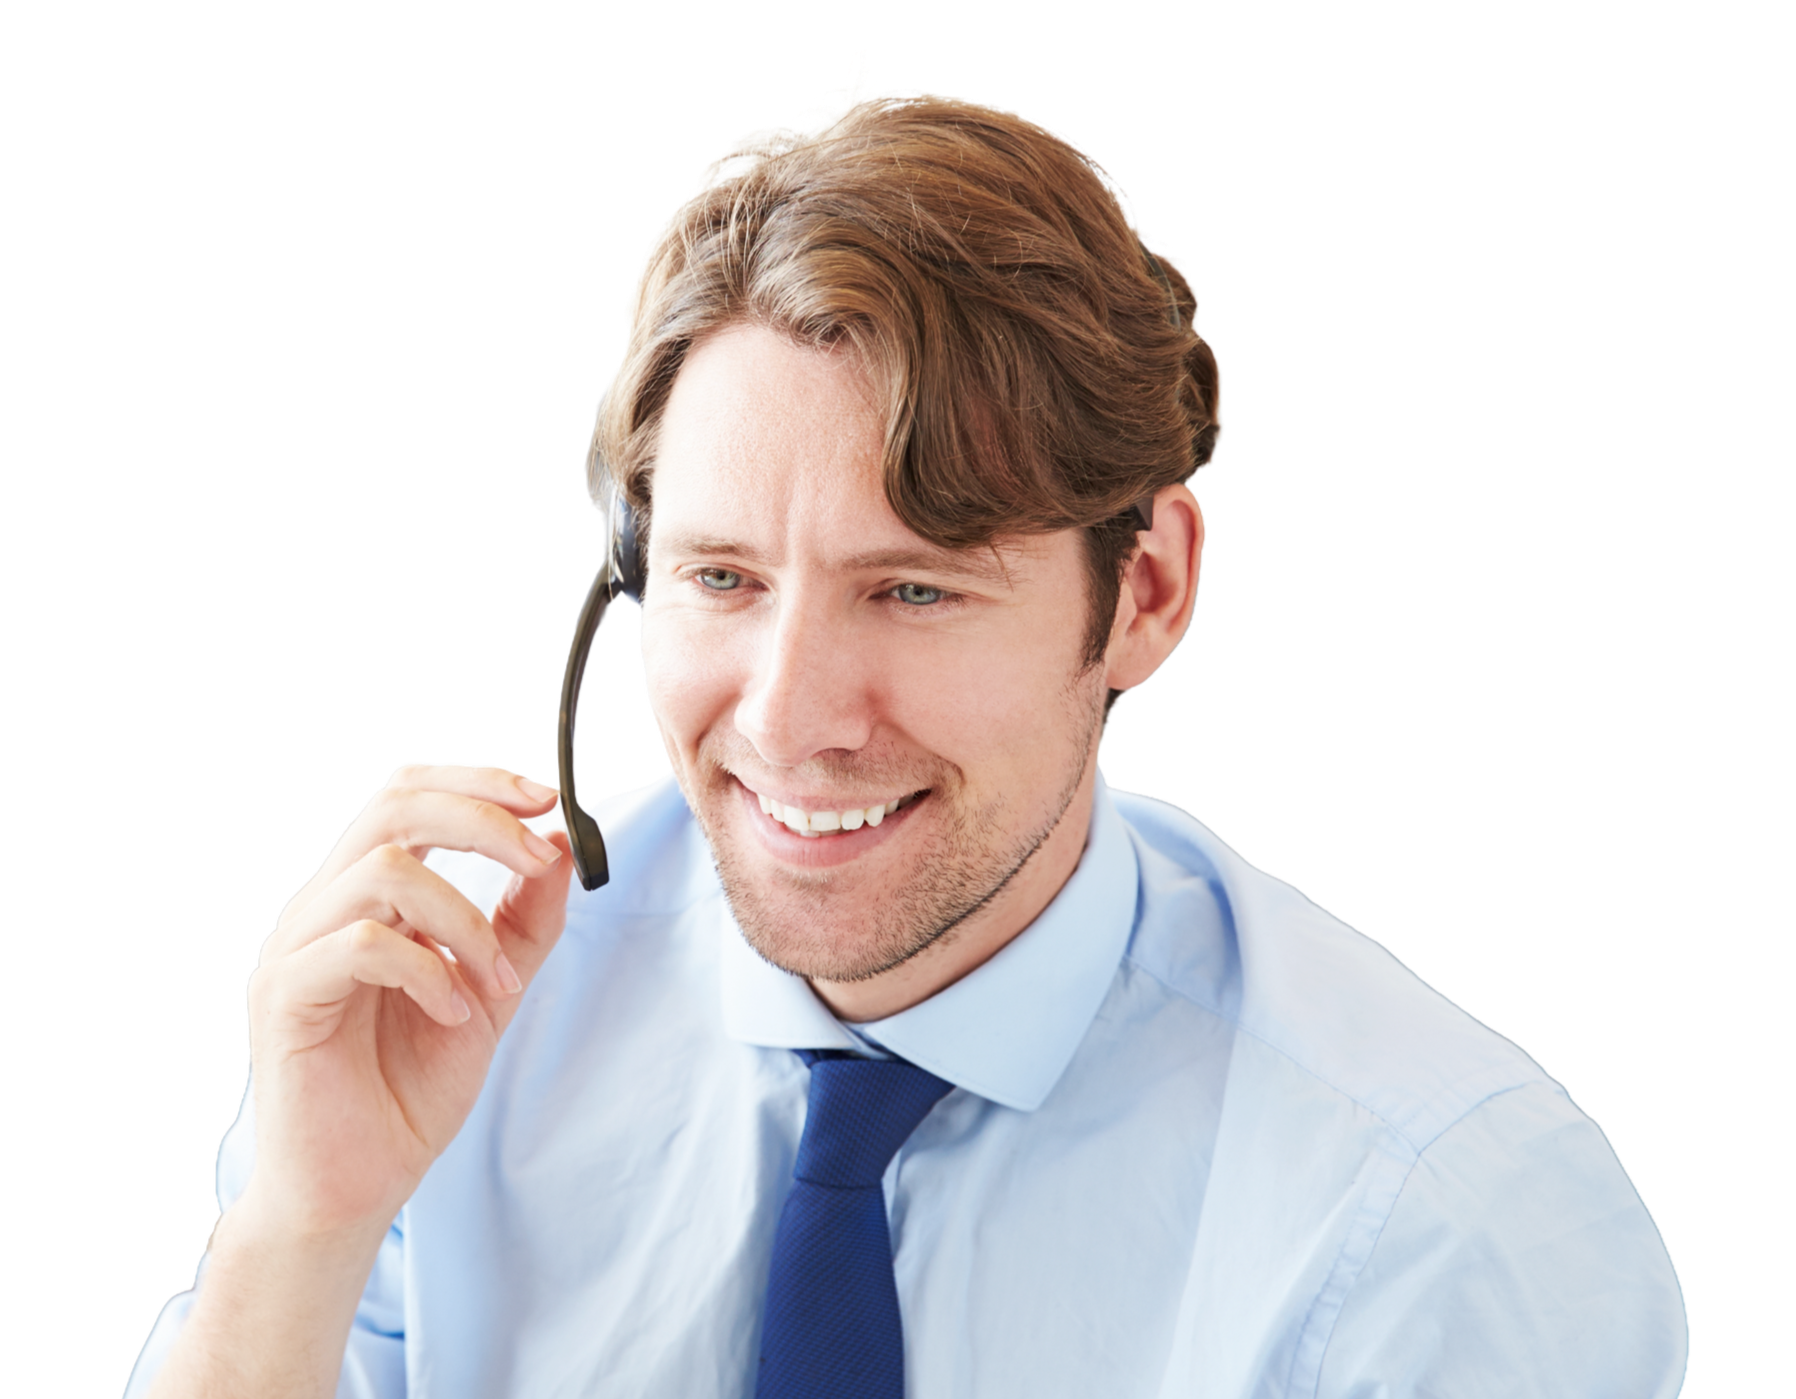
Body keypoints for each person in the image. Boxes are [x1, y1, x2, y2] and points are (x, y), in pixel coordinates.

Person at [128, 53, 1688, 1399]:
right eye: (722, 578)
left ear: (1144, 592)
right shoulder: (452, 1019)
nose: (789, 718)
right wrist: (299, 1225)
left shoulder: (1444, 1227)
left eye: (915, 590)